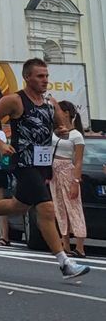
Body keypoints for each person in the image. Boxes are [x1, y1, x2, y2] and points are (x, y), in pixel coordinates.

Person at [0, 61, 89, 280]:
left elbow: (58, 126)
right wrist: (0, 143)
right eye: (40, 76)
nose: (45, 80)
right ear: (27, 77)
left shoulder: (49, 101)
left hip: (43, 163)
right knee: (46, 209)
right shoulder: (15, 100)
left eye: (46, 75)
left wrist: (61, 131)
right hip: (23, 162)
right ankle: (65, 263)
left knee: (18, 205)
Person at [51, 100, 87, 260]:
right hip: (53, 171)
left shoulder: (76, 135)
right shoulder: (54, 132)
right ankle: (65, 243)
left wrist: (75, 181)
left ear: (66, 113)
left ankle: (80, 246)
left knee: (73, 207)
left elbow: (78, 161)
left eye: (57, 110)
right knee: (59, 207)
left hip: (67, 170)